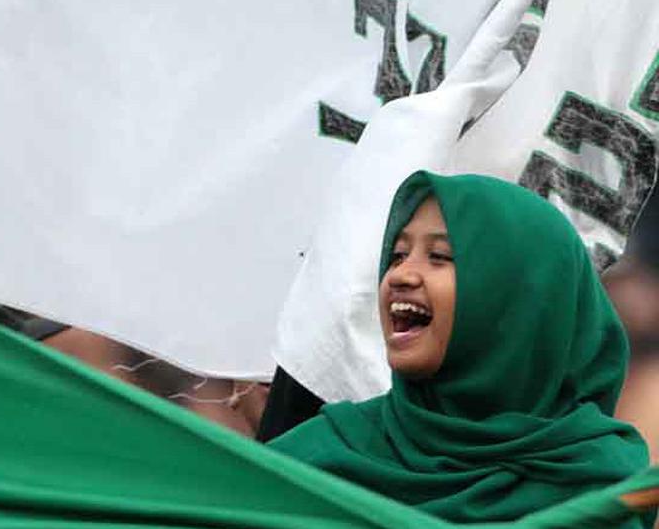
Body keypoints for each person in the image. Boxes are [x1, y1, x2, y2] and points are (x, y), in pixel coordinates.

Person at [268, 171, 652, 525]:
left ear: (519, 296)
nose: (400, 275)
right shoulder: (320, 457)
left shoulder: (603, 485)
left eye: (440, 257)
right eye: (398, 255)